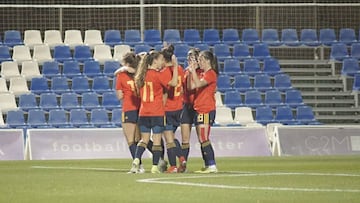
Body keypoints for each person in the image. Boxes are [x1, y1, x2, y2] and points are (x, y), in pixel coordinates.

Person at [130, 51, 179, 173]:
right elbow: (173, 83)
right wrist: (175, 66)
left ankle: (136, 160)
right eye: (161, 59)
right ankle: (154, 167)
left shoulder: (141, 75)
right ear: (155, 61)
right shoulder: (158, 75)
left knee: (144, 140)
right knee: (157, 141)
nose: (162, 62)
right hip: (157, 112)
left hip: (143, 112)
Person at [188, 50, 218, 173]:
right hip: (199, 109)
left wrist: (193, 71)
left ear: (206, 60)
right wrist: (192, 72)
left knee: (204, 137)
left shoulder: (211, 74)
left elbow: (199, 85)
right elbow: (191, 86)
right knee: (202, 138)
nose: (198, 62)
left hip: (206, 109)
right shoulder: (202, 74)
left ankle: (212, 165)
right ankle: (207, 164)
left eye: (200, 59)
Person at [114, 52, 144, 173]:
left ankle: (138, 165)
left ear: (126, 63)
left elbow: (120, 95)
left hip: (129, 108)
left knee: (131, 140)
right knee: (142, 139)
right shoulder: (140, 74)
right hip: (141, 108)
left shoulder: (121, 75)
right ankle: (160, 157)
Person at [161, 45, 186, 173]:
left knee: (169, 139)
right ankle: (181, 158)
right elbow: (182, 88)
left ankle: (173, 166)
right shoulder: (180, 69)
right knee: (172, 136)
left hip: (168, 109)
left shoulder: (165, 72)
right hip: (179, 108)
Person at [179, 48, 202, 172]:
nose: (190, 60)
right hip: (186, 107)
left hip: (199, 108)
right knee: (185, 139)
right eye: (189, 58)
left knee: (202, 138)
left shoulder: (202, 73)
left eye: (192, 58)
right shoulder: (185, 72)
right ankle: (183, 165)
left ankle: (209, 164)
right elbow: (184, 89)